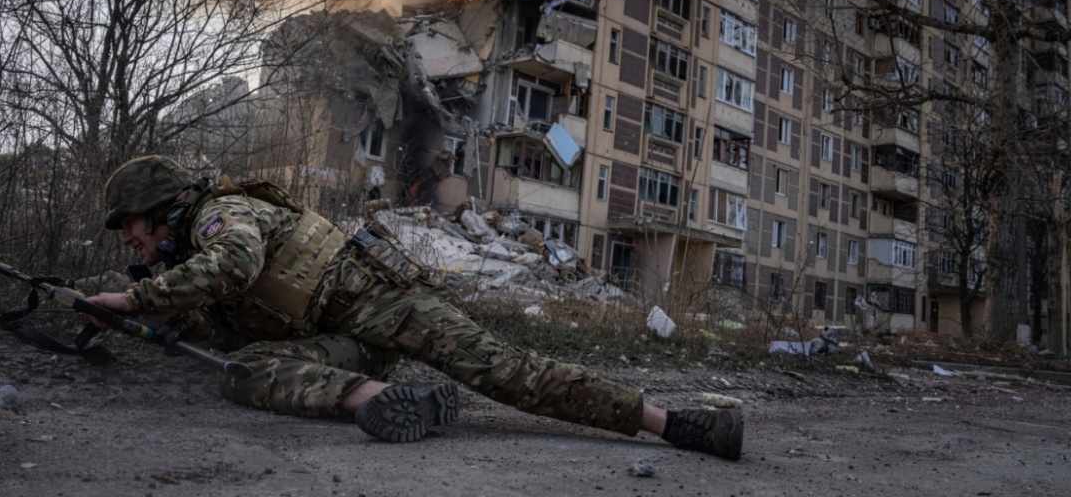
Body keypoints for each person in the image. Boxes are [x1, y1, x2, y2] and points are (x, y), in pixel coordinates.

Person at [87, 155, 744, 459]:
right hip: (348, 344)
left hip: (390, 306)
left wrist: (134, 295)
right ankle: (377, 399)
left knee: (510, 374)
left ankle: (675, 424)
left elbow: (236, 262)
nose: (129, 240)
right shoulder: (186, 252)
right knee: (241, 370)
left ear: (163, 206)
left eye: (131, 225)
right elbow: (237, 319)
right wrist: (153, 314)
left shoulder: (218, 215)